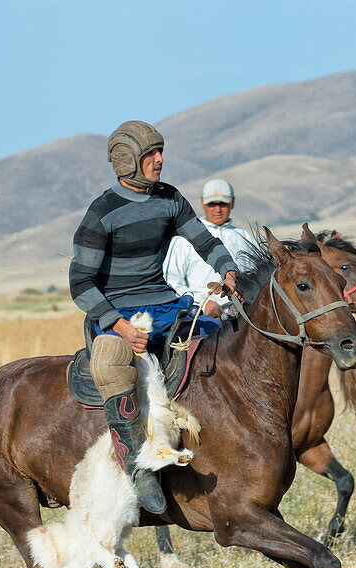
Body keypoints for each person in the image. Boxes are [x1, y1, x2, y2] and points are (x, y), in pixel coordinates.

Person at [70, 120, 239, 515]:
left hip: (165, 305)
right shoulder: (102, 212)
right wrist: (121, 327)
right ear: (127, 161)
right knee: (111, 362)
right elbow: (80, 282)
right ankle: (140, 468)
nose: (160, 159)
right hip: (117, 314)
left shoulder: (169, 198)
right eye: (151, 154)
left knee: (222, 334)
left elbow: (203, 239)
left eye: (160, 151)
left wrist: (227, 269)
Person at [163, 178, 257, 317]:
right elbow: (171, 281)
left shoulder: (244, 237)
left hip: (242, 314)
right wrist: (201, 303)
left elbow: (256, 277)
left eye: (223, 204)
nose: (217, 209)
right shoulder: (185, 238)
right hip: (200, 316)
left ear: (232, 202)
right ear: (202, 202)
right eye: (212, 204)